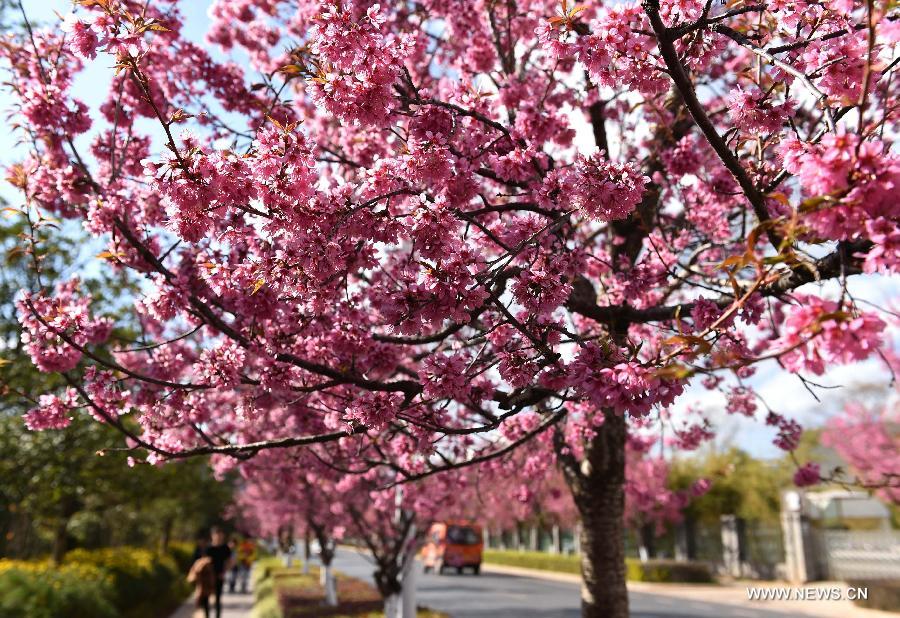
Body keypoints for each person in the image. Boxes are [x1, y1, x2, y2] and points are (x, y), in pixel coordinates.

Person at [206, 526, 233, 618]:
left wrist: (224, 572)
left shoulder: (225, 548)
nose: (219, 536)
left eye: (220, 535)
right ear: (212, 535)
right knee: (206, 598)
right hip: (207, 577)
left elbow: (230, 562)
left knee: (217, 598)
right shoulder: (208, 548)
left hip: (219, 576)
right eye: (216, 534)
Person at [187, 542, 215, 618]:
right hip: (202, 584)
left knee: (203, 603)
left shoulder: (205, 562)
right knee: (202, 603)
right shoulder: (205, 561)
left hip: (204, 585)